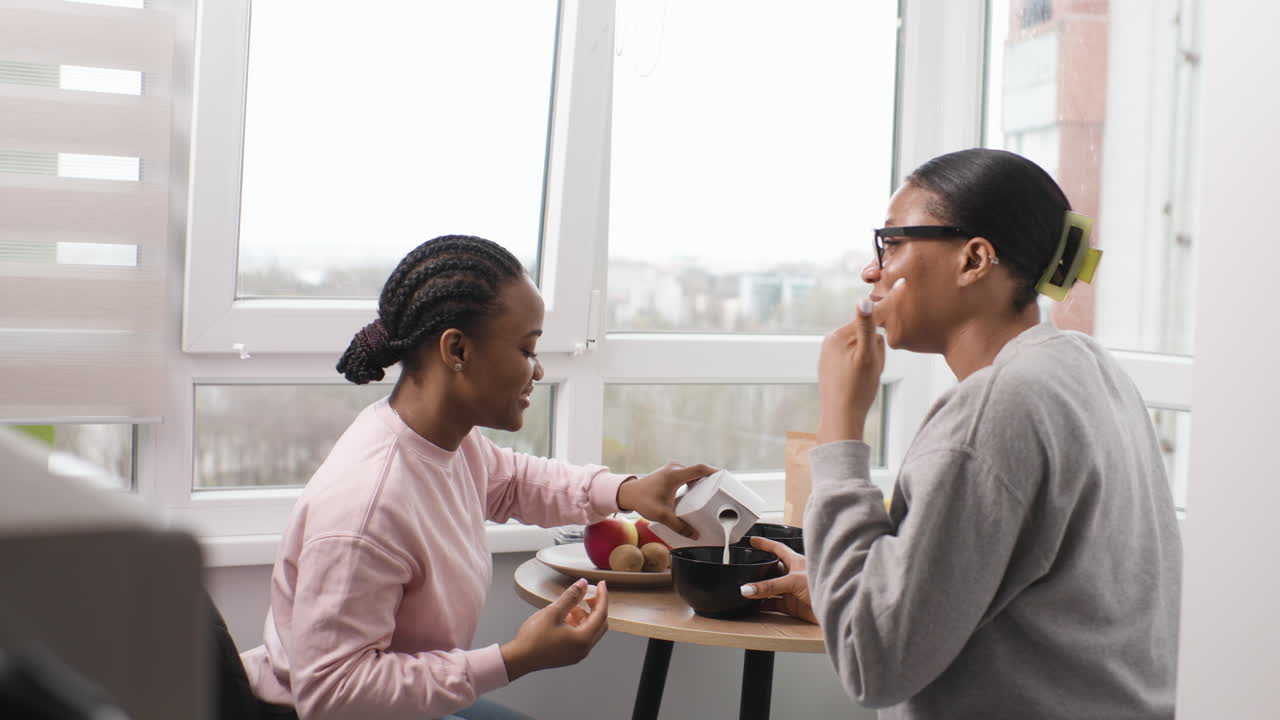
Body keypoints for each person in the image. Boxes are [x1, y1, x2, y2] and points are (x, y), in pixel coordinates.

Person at [742, 149, 1182, 719]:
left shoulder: (996, 408)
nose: (871, 271)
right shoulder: (1087, 370)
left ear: (974, 259)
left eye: (893, 243)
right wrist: (842, 588)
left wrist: (841, 427)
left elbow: (871, 663)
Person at [239, 234, 713, 720]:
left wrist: (625, 490)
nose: (538, 369)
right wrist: (514, 659)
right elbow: (333, 695)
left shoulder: (444, 441)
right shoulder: (367, 505)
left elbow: (510, 480)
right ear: (457, 350)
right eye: (527, 349)